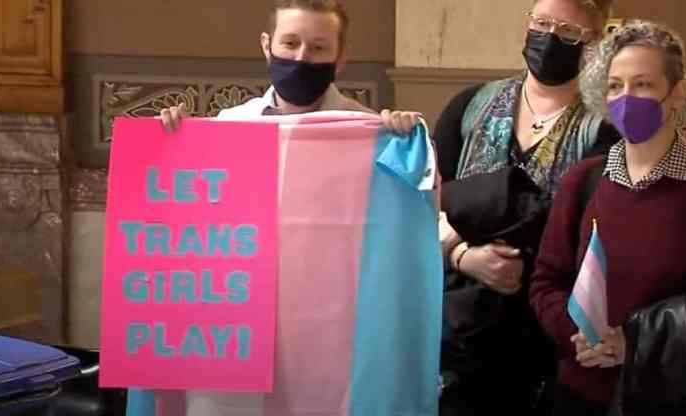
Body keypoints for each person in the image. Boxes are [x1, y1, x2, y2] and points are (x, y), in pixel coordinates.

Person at [424, 0, 619, 414]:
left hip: (546, 337)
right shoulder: (470, 106)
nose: (549, 39)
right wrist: (463, 255)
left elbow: (596, 232)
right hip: (460, 330)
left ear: (594, 43)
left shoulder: (604, 127)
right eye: (542, 23)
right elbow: (426, 200)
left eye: (568, 33)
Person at [530, 20, 686, 414]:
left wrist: (635, 343)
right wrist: (578, 336)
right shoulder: (584, 180)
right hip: (579, 392)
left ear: (678, 92)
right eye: (616, 85)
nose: (626, 98)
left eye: (644, 84)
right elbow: (546, 280)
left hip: (665, 394)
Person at [158, 0, 422, 134]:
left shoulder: (371, 131)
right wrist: (176, 141)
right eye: (290, 43)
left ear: (340, 58)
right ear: (266, 45)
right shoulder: (230, 124)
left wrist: (407, 144)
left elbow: (408, 212)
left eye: (318, 47)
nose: (300, 57)